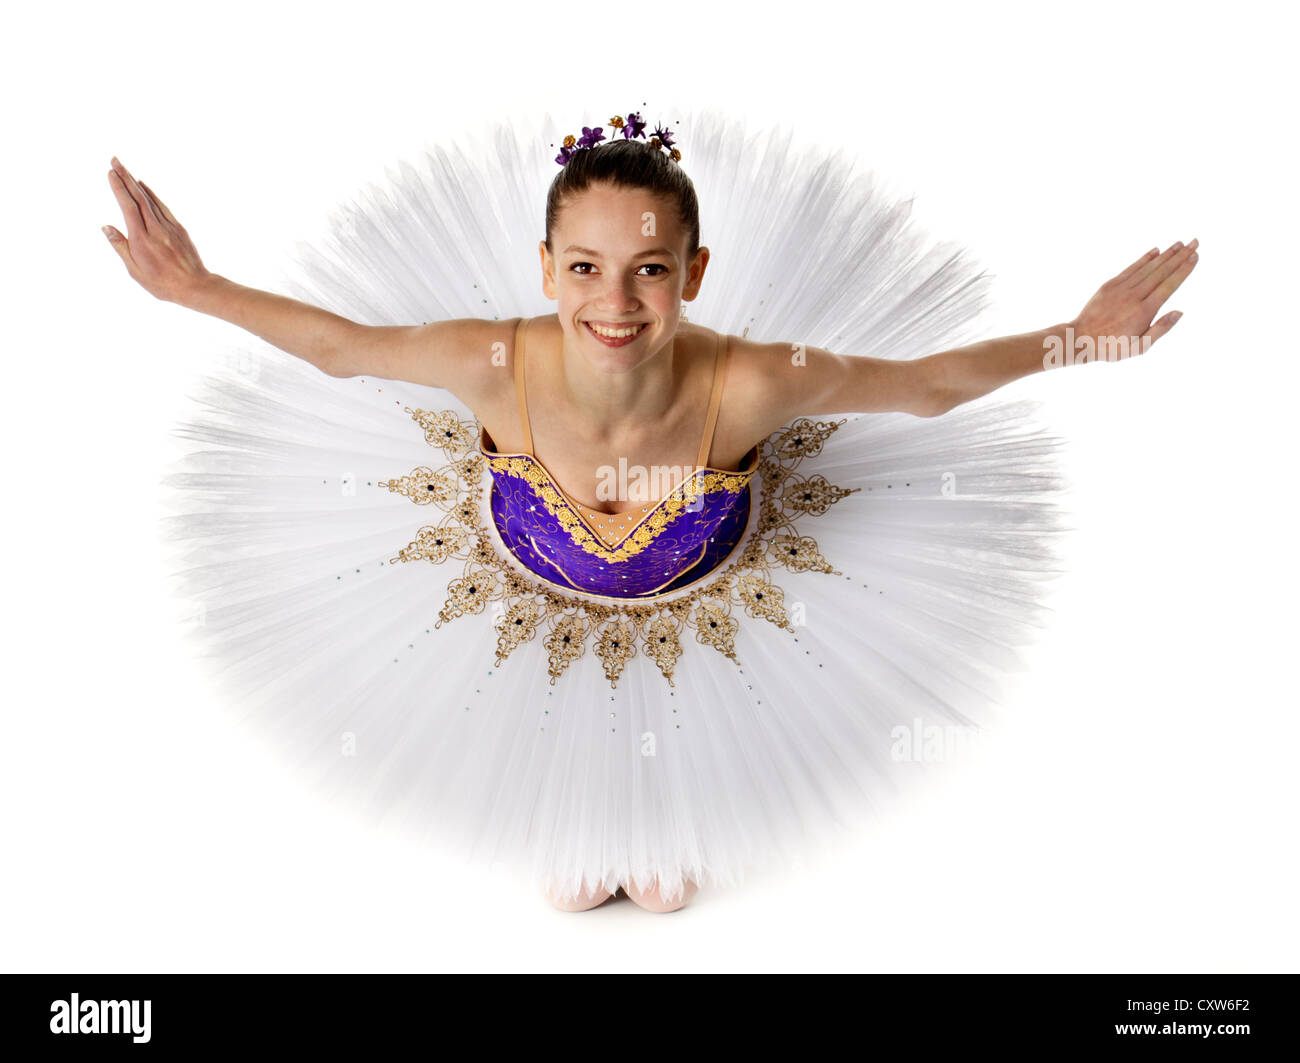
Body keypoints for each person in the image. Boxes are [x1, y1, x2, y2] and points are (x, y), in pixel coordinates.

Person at [106, 109, 1198, 913]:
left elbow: (920, 386)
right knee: (572, 889)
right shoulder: (494, 363)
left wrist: (1080, 336)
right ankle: (582, 798)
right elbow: (343, 351)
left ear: (694, 271)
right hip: (539, 585)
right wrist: (195, 287)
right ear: (545, 268)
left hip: (694, 589)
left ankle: (659, 807)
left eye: (647, 270)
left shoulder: (756, 383)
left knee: (668, 894)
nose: (614, 302)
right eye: (583, 267)